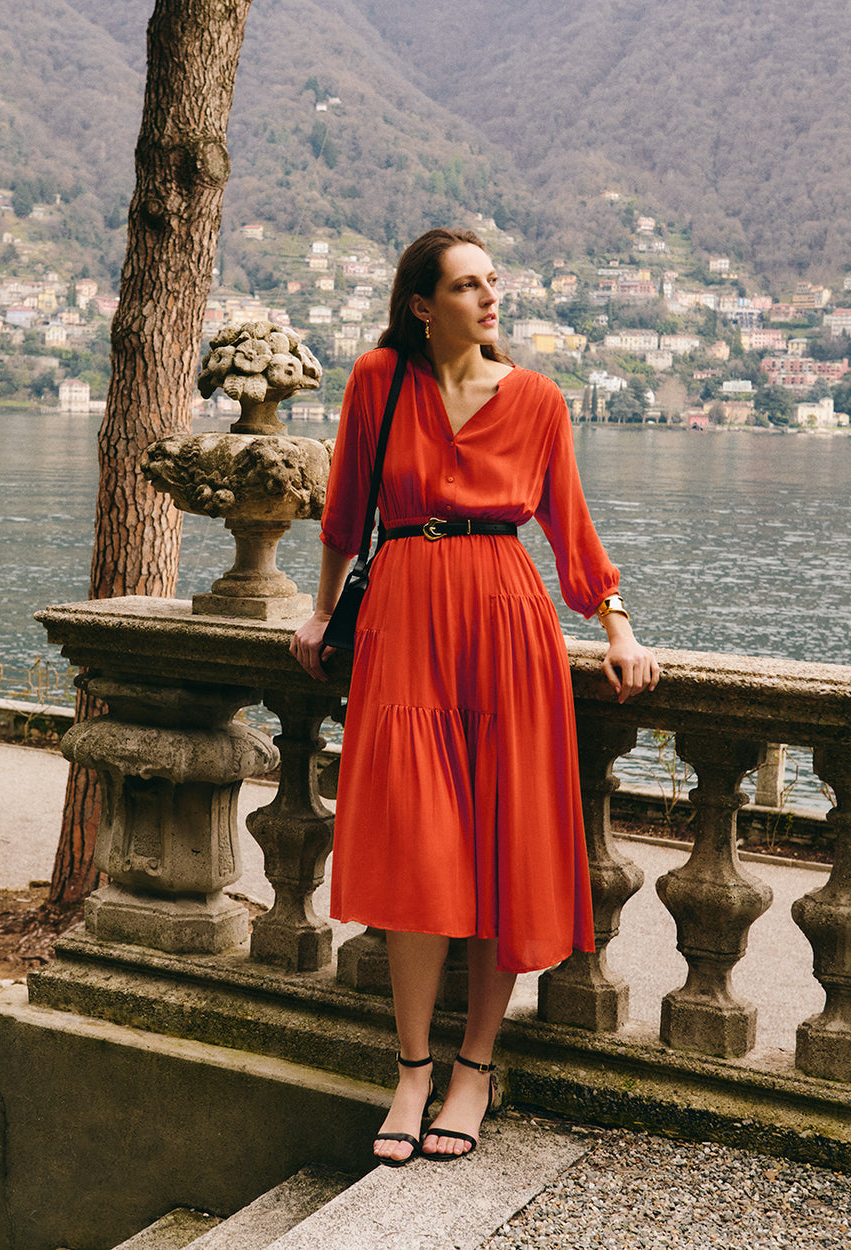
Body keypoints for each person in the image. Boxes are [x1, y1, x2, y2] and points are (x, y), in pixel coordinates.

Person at [290, 228, 659, 1167]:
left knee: (499, 844)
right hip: (405, 624)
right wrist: (323, 614)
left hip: (505, 626)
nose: (491, 297)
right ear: (422, 302)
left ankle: (473, 1068)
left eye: (494, 282)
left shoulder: (537, 399)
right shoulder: (379, 380)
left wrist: (616, 623)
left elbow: (570, 529)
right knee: (418, 847)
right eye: (467, 285)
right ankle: (409, 1067)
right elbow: (344, 512)